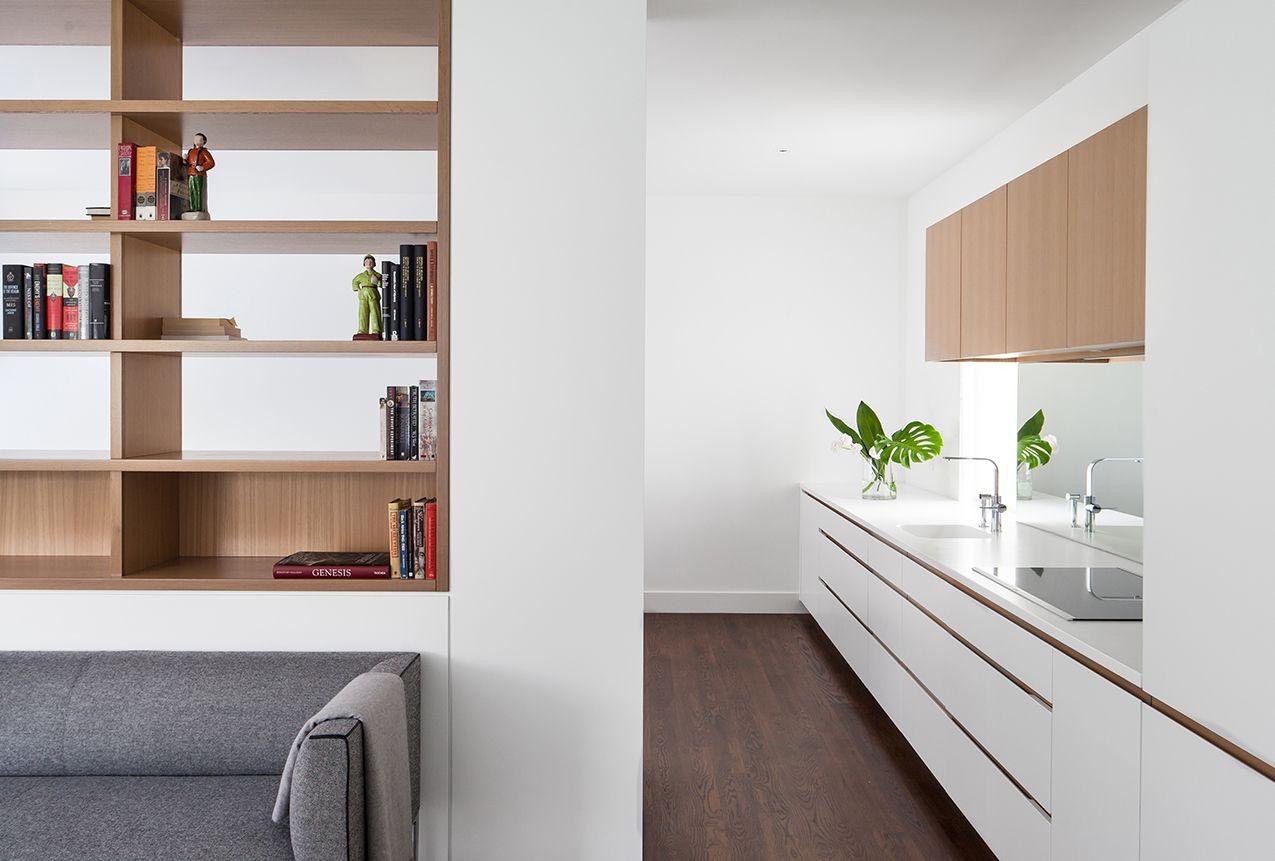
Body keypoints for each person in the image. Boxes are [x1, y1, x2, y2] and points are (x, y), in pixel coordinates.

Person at [185, 133, 216, 216]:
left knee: (199, 191)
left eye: (199, 140)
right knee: (191, 190)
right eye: (195, 139)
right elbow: (187, 162)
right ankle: (192, 207)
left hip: (200, 173)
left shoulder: (204, 152)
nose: (197, 141)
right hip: (191, 172)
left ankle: (199, 208)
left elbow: (211, 162)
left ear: (203, 142)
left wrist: (203, 167)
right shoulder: (191, 151)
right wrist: (184, 159)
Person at [352, 254, 383, 335]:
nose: (369, 263)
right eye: (366, 262)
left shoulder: (378, 275)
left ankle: (376, 330)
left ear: (374, 263)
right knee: (363, 312)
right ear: (364, 264)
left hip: (373, 293)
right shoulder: (361, 275)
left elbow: (382, 284)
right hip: (363, 295)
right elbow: (354, 281)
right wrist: (358, 289)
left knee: (375, 312)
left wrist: (377, 282)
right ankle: (362, 330)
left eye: (370, 262)